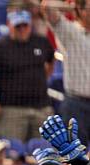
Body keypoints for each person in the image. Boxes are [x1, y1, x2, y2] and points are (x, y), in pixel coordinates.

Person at [0, 9, 55, 142]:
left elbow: (51, 61)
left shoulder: (41, 42)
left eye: (25, 25)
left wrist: (41, 80)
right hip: (11, 110)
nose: (22, 29)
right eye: (18, 26)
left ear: (30, 25)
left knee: (47, 153)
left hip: (41, 108)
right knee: (11, 153)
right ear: (9, 25)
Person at [41, 0, 90, 146]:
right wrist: (73, 7)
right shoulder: (69, 30)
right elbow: (47, 6)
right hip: (76, 102)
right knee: (75, 153)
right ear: (81, 10)